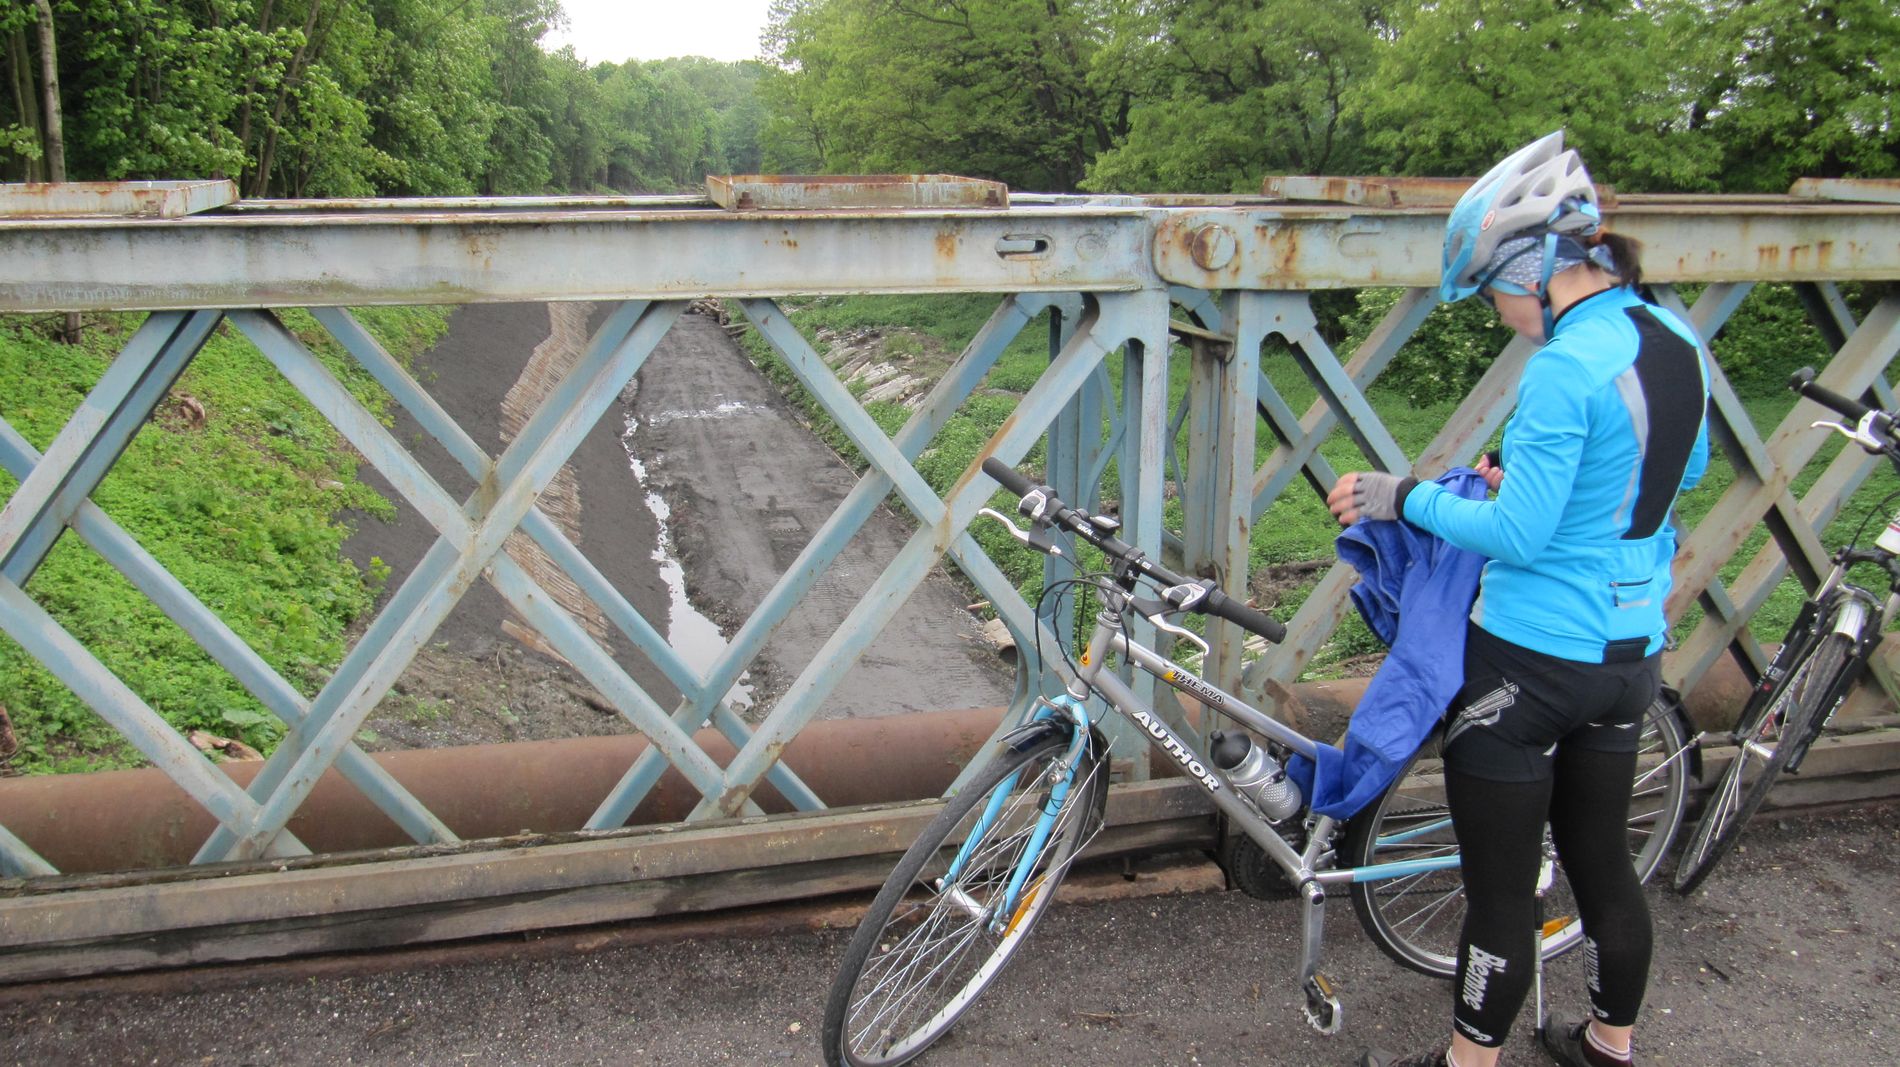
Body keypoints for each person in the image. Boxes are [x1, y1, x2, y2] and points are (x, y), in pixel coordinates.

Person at [1330, 132, 1709, 1067]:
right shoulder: (1675, 341)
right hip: (1629, 658)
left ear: (1535, 266)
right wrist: (1551, 484)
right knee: (1603, 863)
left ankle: (1469, 1062)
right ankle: (1610, 1044)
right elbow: (1682, 469)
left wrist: (1401, 496)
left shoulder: (1561, 367)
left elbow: (1520, 537)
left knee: (1500, 891)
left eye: (1491, 289)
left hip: (1529, 665)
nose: (1498, 312)